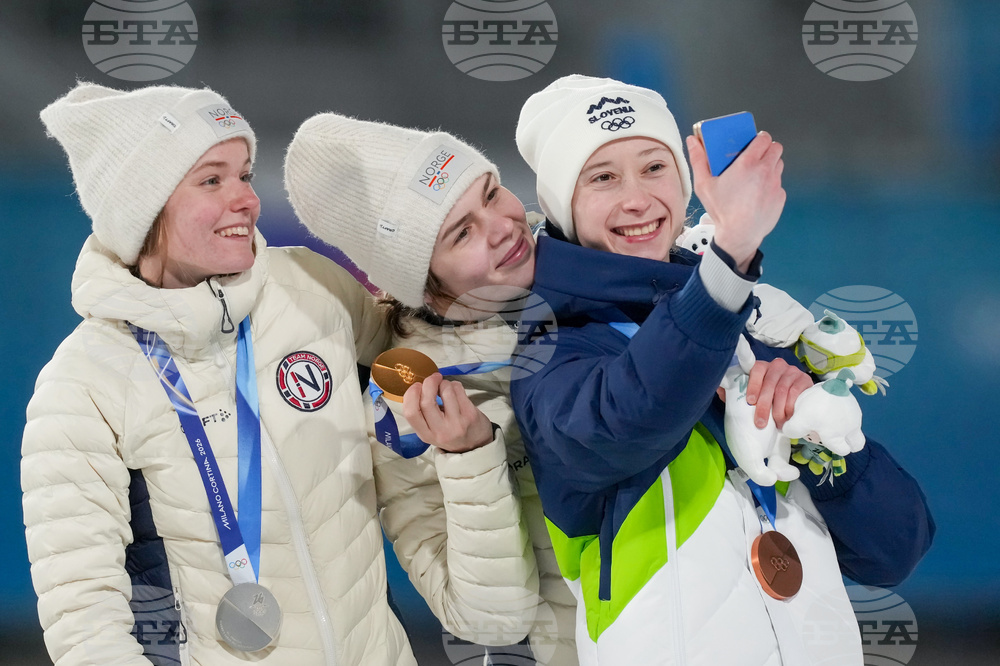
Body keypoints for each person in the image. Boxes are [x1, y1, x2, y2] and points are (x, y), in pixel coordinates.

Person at [511, 75, 935, 665]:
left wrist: (823, 437)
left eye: (654, 167)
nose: (637, 198)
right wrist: (728, 264)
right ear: (563, 204)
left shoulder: (751, 324)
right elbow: (624, 420)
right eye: (603, 177)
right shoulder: (554, 345)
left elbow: (896, 548)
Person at [22, 82, 445, 665]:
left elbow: (422, 363)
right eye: (212, 180)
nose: (246, 200)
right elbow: (83, 615)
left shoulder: (312, 288)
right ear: (144, 207)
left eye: (245, 175)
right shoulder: (83, 383)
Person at [284, 114, 577, 664]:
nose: (503, 226)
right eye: (462, 232)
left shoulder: (596, 256)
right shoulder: (404, 406)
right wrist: (469, 458)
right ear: (424, 282)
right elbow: (492, 619)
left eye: (492, 193)